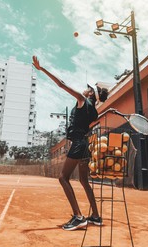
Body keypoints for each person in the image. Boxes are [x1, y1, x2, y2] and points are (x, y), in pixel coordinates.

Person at [32, 56, 109, 231]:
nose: (87, 88)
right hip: (85, 145)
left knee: (63, 178)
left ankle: (78, 216)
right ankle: (95, 216)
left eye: (89, 88)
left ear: (91, 94)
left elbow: (61, 84)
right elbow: (87, 127)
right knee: (83, 180)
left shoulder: (82, 100)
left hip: (78, 144)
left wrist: (42, 69)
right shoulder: (94, 112)